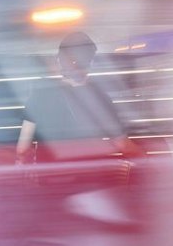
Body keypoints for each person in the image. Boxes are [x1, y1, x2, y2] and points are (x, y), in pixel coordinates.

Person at [16, 32, 136, 162]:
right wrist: (148, 160)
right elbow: (122, 145)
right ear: (91, 63)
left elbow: (22, 148)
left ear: (59, 60)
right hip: (91, 177)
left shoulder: (39, 95)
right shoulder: (100, 98)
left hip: (50, 178)